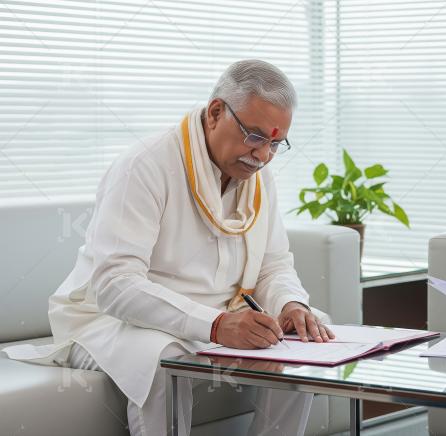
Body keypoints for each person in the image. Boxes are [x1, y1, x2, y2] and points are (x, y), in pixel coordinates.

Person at [4, 59, 333, 436]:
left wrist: (291, 304)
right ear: (215, 113)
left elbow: (273, 265)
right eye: (255, 136)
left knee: (303, 343)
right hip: (108, 321)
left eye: (276, 143)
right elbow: (115, 285)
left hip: (213, 317)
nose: (263, 156)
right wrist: (217, 325)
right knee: (165, 357)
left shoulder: (258, 175)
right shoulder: (145, 165)